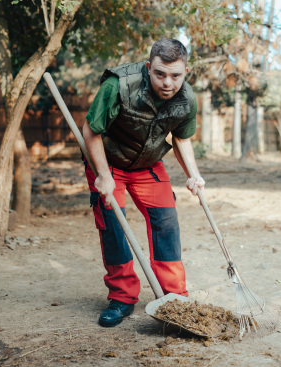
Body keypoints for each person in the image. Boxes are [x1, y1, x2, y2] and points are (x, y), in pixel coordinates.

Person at [82, 38, 205, 327]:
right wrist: (103, 175)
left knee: (166, 223)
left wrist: (193, 174)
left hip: (147, 165)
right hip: (107, 161)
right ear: (148, 67)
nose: (167, 83)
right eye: (160, 73)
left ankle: (175, 298)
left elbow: (181, 139)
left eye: (175, 75)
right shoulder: (118, 85)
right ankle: (122, 297)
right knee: (114, 225)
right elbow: (90, 130)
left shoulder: (187, 99)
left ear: (186, 71)